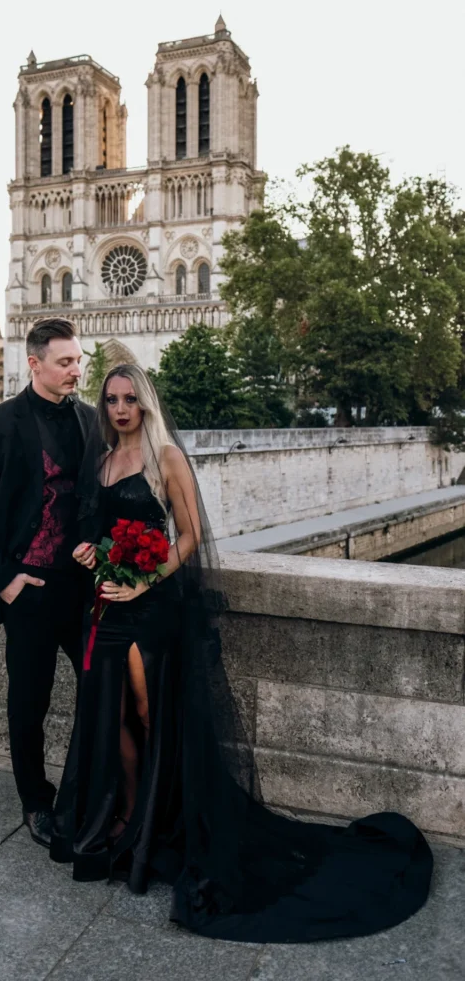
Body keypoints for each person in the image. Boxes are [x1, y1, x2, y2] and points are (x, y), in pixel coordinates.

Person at [50, 363, 433, 943]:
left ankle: (156, 823)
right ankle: (126, 816)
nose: (121, 408)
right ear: (103, 407)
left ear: (146, 404)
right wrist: (91, 554)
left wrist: (143, 583)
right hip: (105, 606)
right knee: (114, 718)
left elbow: (189, 535)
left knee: (151, 715)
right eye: (111, 400)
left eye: (130, 399)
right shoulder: (100, 462)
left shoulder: (166, 459)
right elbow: (99, 532)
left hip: (150, 607)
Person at [0, 317, 95, 848]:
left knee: (100, 689)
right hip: (29, 590)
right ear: (34, 364)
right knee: (29, 702)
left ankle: (84, 794)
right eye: (65, 362)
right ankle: (36, 803)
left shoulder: (91, 420)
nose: (76, 370)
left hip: (83, 589)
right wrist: (6, 581)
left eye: (78, 360)